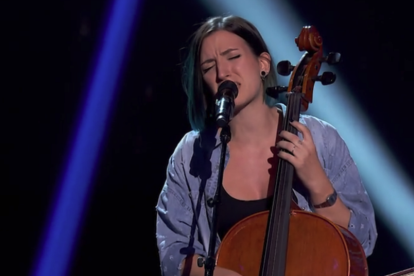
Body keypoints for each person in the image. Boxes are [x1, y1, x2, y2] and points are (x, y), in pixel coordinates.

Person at [155, 15, 378, 276]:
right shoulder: (192, 153)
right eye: (208, 67)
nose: (221, 72)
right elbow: (172, 255)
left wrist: (317, 182)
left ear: (263, 64)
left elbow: (364, 241)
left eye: (233, 56)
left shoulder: (321, 138)